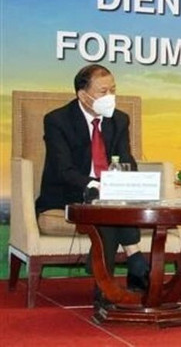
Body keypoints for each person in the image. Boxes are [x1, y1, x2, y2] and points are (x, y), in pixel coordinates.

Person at [35, 64, 150, 306]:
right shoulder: (57, 120)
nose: (110, 97)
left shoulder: (119, 119)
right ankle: (135, 257)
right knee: (105, 209)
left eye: (113, 90)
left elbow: (126, 160)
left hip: (110, 194)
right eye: (103, 91)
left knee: (109, 206)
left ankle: (104, 283)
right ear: (83, 95)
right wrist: (95, 184)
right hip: (68, 192)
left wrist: (126, 182)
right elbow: (63, 170)